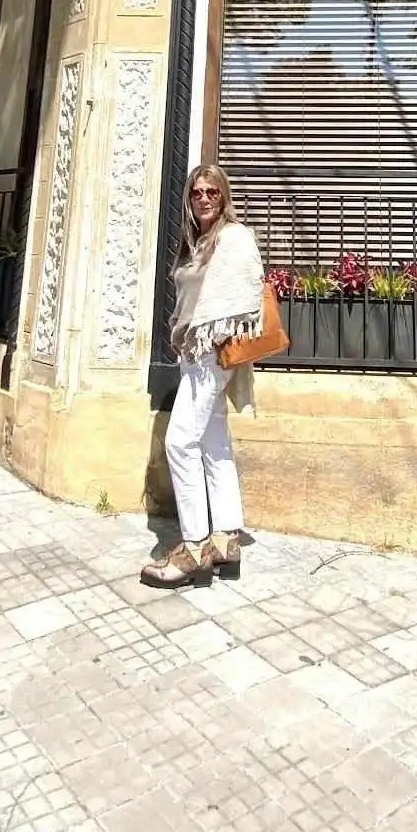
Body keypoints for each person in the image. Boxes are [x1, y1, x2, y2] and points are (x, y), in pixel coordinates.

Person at [141, 163, 263, 590]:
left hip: (213, 352)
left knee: (179, 442)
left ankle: (193, 548)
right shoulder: (196, 243)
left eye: (212, 191)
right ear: (189, 199)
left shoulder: (234, 237)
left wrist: (216, 333)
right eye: (197, 192)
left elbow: (249, 288)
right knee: (213, 443)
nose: (205, 198)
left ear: (223, 196)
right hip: (195, 353)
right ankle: (226, 540)